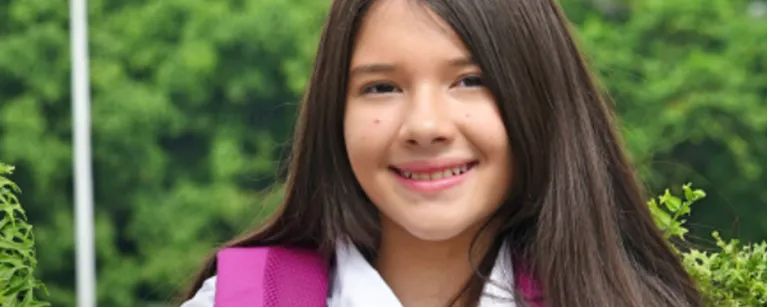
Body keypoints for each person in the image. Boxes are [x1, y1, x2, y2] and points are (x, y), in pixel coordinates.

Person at [181, 0, 703, 306]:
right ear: (333, 117)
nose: (425, 126)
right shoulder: (244, 299)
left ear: (541, 101)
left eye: (470, 80)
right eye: (381, 87)